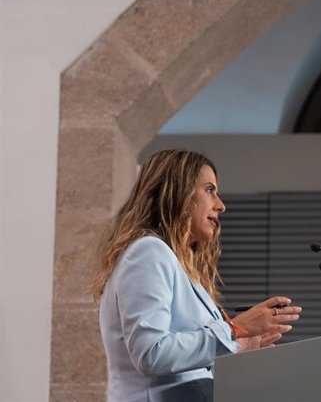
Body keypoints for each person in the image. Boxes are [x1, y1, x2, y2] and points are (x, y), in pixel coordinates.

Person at [89, 149, 301, 401]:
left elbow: (181, 359)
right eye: (209, 190)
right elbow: (150, 354)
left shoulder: (173, 262)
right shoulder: (148, 251)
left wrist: (236, 347)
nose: (221, 205)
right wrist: (235, 329)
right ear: (179, 193)